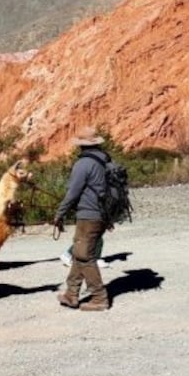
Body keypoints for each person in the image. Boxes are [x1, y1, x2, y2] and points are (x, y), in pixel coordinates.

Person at [53, 126, 112, 311]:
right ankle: (71, 294)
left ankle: (99, 297)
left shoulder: (84, 164)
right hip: (102, 214)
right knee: (80, 253)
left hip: (88, 215)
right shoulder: (105, 160)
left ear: (81, 145)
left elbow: (73, 193)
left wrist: (60, 213)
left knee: (85, 256)